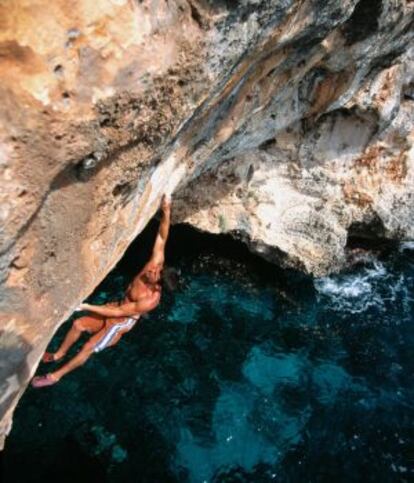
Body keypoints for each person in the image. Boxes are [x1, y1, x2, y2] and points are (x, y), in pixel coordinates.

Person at [31, 194, 172, 388]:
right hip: (117, 306)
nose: (151, 270)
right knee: (78, 324)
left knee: (88, 347)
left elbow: (118, 313)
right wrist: (166, 211)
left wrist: (86, 305)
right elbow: (162, 237)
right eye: (154, 268)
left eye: (154, 274)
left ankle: (56, 376)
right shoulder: (155, 264)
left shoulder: (150, 300)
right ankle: (59, 354)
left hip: (121, 322)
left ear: (158, 284)